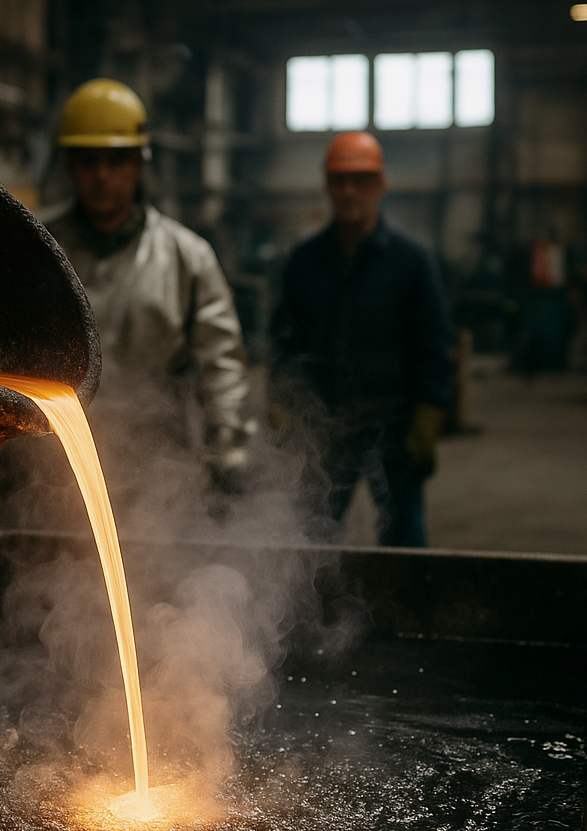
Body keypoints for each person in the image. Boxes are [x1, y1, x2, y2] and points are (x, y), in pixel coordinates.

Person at [43, 78, 253, 490]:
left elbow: (221, 364)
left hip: (158, 475)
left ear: (140, 163)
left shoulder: (186, 258)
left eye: (115, 160)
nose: (102, 175)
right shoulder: (38, 248)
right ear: (69, 166)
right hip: (53, 475)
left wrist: (227, 449)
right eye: (88, 160)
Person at [270, 131, 454, 547]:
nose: (350, 191)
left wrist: (428, 416)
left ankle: (405, 611)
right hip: (327, 430)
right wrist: (282, 401)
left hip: (394, 427)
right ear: (327, 186)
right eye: (340, 180)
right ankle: (321, 612)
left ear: (381, 185)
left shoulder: (412, 262)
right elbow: (284, 341)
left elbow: (434, 343)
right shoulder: (304, 263)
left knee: (404, 541)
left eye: (362, 180)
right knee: (314, 540)